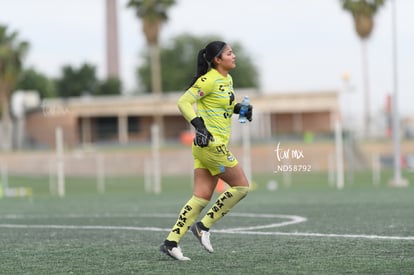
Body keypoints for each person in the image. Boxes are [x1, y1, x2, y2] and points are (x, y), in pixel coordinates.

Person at [159, 41, 253, 261]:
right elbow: (183, 102)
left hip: (206, 148)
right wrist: (198, 125)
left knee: (200, 198)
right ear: (217, 60)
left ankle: (171, 243)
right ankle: (203, 226)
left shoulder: (227, 79)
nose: (234, 56)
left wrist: (242, 109)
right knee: (241, 187)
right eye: (229, 53)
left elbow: (225, 107)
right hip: (212, 145)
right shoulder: (208, 79)